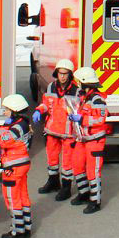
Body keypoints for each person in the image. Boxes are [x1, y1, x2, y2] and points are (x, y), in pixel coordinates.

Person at [0, 93, 33, 238]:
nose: (5, 112)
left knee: (12, 198)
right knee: (23, 196)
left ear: (14, 110)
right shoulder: (24, 123)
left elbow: (4, 141)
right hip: (22, 164)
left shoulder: (16, 126)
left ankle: (17, 231)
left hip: (13, 166)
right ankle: (27, 227)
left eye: (7, 109)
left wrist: (2, 129)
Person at [68, 67, 109, 214]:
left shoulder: (97, 99)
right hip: (83, 139)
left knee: (93, 171)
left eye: (79, 81)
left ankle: (95, 201)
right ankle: (84, 193)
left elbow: (99, 119)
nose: (77, 84)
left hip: (94, 140)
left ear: (85, 83)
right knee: (77, 165)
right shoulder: (85, 97)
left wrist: (82, 119)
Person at [37, 62, 78, 198]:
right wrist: (39, 110)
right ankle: (53, 182)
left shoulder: (77, 91)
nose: (62, 77)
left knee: (67, 162)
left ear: (70, 75)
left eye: (65, 73)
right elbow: (45, 104)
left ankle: (66, 187)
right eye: (60, 73)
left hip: (68, 133)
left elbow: (79, 109)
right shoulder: (51, 87)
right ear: (56, 74)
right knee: (52, 159)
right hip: (52, 130)